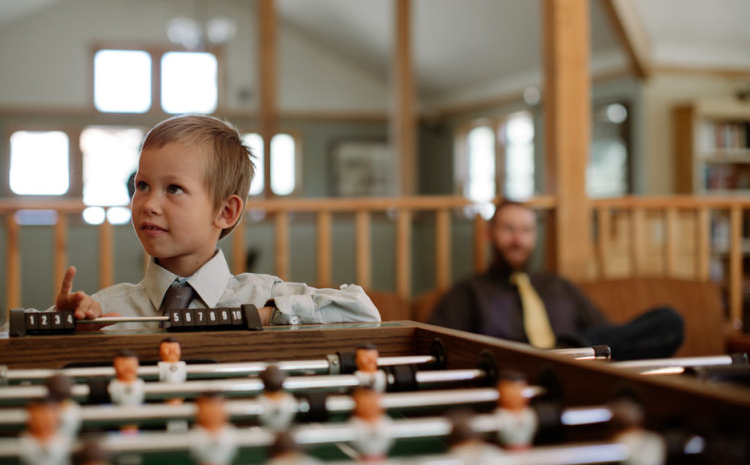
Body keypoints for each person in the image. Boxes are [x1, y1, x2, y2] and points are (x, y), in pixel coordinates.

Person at [52, 114, 380, 330]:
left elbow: (363, 312)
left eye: (174, 189)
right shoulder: (108, 312)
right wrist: (59, 325)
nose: (149, 204)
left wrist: (259, 316)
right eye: (142, 186)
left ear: (225, 212)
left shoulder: (262, 297)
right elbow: (3, 340)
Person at [428, 201, 684, 360]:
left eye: (526, 230)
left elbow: (609, 334)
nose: (518, 240)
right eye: (508, 229)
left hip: (582, 364)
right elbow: (435, 346)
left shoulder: (558, 286)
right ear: (489, 234)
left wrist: (572, 351)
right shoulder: (469, 291)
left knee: (668, 320)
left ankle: (565, 352)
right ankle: (554, 357)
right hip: (518, 371)